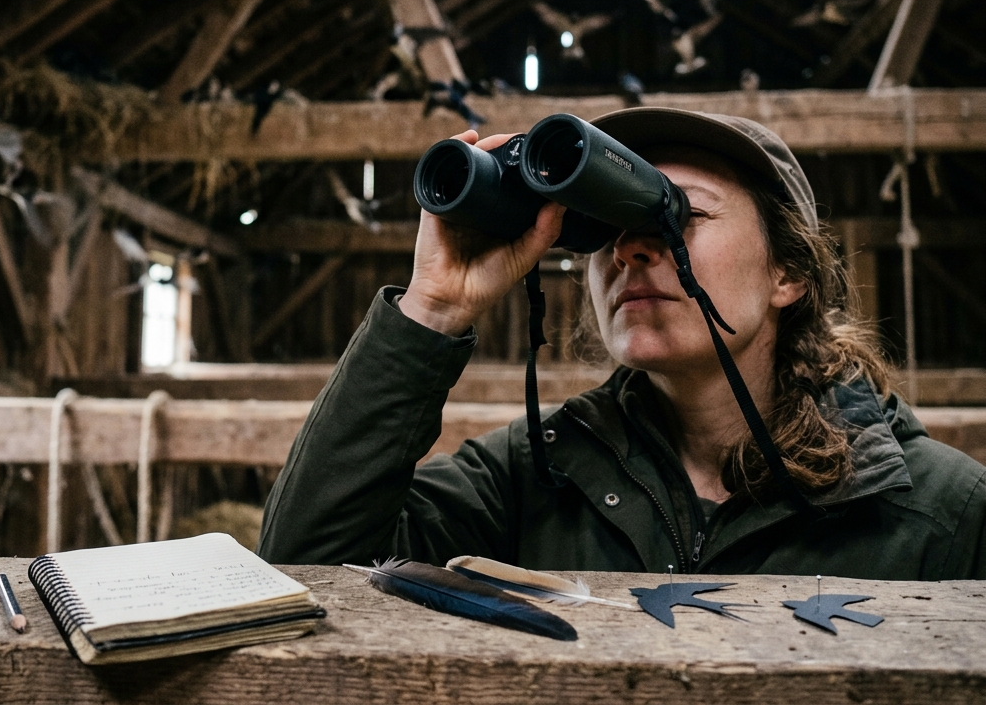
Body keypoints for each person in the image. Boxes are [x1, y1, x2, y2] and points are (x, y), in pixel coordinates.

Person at [258, 108, 986, 579]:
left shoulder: (939, 511)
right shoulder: (533, 474)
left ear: (787, 273)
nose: (632, 248)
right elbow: (307, 566)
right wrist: (432, 307)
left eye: (678, 216)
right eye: (605, 224)